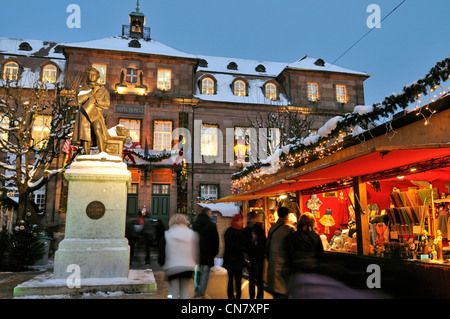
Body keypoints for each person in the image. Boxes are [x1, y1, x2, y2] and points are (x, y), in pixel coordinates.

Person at [284, 212, 326, 298]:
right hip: (312, 267)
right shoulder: (316, 236)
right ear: (312, 223)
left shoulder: (294, 236)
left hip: (297, 267)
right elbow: (321, 254)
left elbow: (289, 251)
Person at [158, 213, 199, 299]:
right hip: (187, 267)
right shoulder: (192, 234)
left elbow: (162, 252)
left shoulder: (167, 234)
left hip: (172, 267)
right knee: (185, 290)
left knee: (174, 292)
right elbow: (195, 251)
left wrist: (162, 263)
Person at [72, 67, 110, 155]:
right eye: (90, 74)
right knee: (85, 135)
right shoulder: (82, 87)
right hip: (84, 112)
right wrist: (92, 92)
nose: (92, 76)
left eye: (94, 74)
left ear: (98, 76)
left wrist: (97, 101)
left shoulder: (103, 90)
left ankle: (102, 153)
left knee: (98, 131)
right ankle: (86, 154)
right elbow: (80, 99)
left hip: (96, 113)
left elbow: (107, 104)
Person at [266, 207, 296, 299]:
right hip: (285, 265)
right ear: (287, 215)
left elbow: (267, 247)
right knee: (284, 291)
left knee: (276, 293)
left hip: (273, 264)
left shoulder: (272, 228)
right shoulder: (290, 229)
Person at [192, 207, 219, 298]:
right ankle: (201, 292)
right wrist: (214, 253)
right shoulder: (212, 225)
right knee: (205, 273)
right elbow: (216, 241)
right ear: (208, 214)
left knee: (197, 273)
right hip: (208, 254)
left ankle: (196, 290)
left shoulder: (195, 225)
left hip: (197, 254)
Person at [243, 211, 266, 299]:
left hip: (259, 255)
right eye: (253, 218)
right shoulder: (246, 230)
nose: (254, 220)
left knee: (259, 277)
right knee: (252, 277)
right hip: (252, 255)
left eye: (255, 218)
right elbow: (244, 243)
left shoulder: (259, 229)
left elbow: (263, 241)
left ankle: (259, 295)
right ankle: (252, 295)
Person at [223, 214, 245, 299]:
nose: (242, 221)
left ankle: (232, 296)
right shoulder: (239, 232)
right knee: (237, 280)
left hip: (231, 260)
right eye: (240, 220)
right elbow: (232, 246)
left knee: (232, 280)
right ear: (236, 221)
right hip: (235, 259)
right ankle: (235, 296)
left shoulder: (229, 231)